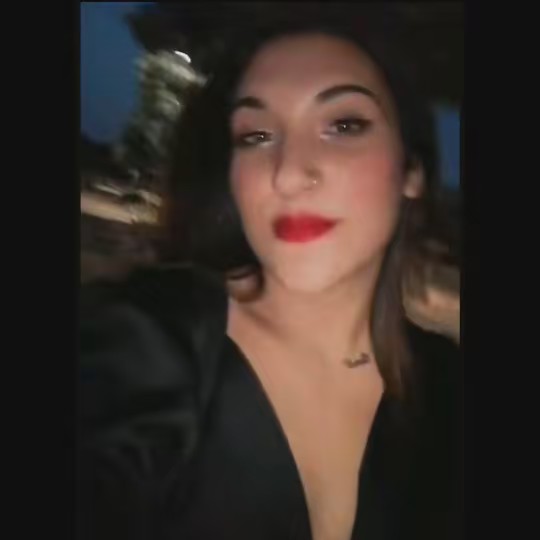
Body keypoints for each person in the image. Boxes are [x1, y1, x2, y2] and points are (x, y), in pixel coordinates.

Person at [78, 12, 462, 540]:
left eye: (344, 126)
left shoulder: (448, 388)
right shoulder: (146, 341)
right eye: (256, 135)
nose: (288, 173)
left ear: (411, 172)